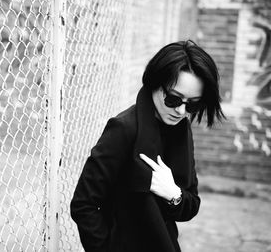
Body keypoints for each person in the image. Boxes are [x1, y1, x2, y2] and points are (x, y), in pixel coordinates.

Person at [70, 40, 225, 252]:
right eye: (173, 99)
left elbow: (191, 205)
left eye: (192, 104)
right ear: (155, 83)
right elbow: (84, 204)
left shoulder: (181, 130)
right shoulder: (124, 129)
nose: (181, 111)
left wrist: (172, 193)